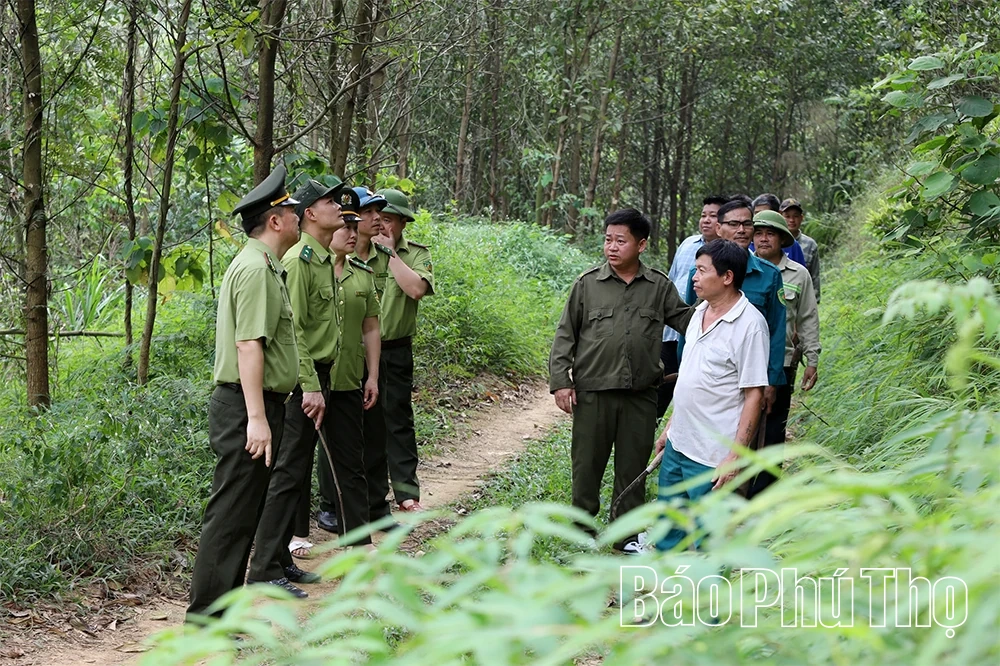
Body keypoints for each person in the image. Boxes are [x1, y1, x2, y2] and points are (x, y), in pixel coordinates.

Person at [187, 165, 301, 619]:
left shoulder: (265, 266)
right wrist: (256, 418)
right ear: (274, 220)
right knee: (232, 514)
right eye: (292, 211)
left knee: (243, 513)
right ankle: (206, 617)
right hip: (245, 406)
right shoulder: (255, 269)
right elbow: (248, 345)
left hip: (259, 404)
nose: (298, 216)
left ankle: (222, 613)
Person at [549, 208, 694, 554]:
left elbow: (689, 321)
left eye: (621, 240)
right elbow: (565, 333)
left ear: (641, 244)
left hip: (641, 395)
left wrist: (723, 314)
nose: (611, 247)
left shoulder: (658, 286)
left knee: (632, 469)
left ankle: (625, 535)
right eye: (608, 239)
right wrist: (561, 381)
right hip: (593, 393)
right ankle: (582, 529)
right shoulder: (587, 284)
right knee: (587, 465)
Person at [244, 176, 356, 599]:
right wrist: (309, 385)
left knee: (295, 473)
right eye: (330, 201)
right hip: (301, 384)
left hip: (319, 377)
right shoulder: (296, 261)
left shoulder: (323, 258)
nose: (340, 208)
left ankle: (279, 559)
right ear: (309, 213)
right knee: (286, 474)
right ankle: (263, 568)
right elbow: (294, 333)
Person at [653, 239, 769, 551]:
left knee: (709, 538)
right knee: (669, 527)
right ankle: (666, 592)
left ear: (727, 277)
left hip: (712, 455)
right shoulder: (698, 313)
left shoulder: (750, 326)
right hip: (680, 443)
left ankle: (710, 596)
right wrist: (670, 428)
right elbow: (692, 380)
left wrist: (735, 456)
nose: (694, 277)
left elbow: (754, 395)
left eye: (702, 271)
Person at [313, 207, 382, 544]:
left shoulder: (362, 274)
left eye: (356, 227)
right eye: (346, 227)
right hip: (310, 380)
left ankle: (357, 540)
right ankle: (295, 537)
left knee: (352, 462)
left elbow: (371, 327)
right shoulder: (310, 268)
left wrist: (373, 376)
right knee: (295, 465)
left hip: (347, 380)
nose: (353, 234)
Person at [684, 199, 786, 413]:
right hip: (708, 378)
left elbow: (776, 331)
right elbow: (688, 324)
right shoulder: (698, 274)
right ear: (718, 229)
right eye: (733, 224)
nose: (741, 230)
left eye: (747, 224)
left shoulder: (769, 275)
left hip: (752, 376)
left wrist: (770, 380)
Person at [748, 211, 820, 497]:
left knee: (774, 430)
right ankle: (738, 491)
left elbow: (808, 318)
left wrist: (812, 358)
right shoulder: (743, 269)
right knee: (745, 429)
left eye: (770, 233)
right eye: (759, 233)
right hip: (745, 364)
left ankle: (764, 494)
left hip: (783, 363)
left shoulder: (798, 274)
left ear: (781, 239)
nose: (763, 238)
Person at [372, 189, 434, 513]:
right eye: (377, 218)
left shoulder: (416, 255)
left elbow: (415, 289)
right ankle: (372, 494)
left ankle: (406, 492)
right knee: (367, 423)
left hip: (396, 350)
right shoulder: (358, 252)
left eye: (388, 219)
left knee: (398, 419)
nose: (381, 225)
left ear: (402, 223)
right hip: (360, 353)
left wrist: (391, 255)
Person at [349, 186, 398, 529]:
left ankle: (378, 506)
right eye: (368, 212)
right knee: (344, 437)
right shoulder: (337, 257)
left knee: (378, 432)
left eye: (378, 212)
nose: (376, 218)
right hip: (341, 360)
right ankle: (333, 507)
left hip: (376, 356)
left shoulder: (384, 257)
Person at [657, 195, 727, 419]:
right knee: (659, 391)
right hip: (670, 334)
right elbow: (671, 281)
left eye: (713, 216)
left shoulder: (729, 255)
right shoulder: (688, 244)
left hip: (702, 337)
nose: (706, 220)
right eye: (703, 215)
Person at [779, 198, 820, 301]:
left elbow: (814, 276)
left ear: (802, 218)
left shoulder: (810, 245)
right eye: (787, 216)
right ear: (780, 216)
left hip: (802, 298)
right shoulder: (772, 242)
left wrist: (814, 300)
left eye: (795, 216)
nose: (791, 220)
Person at [751, 193, 806, 265]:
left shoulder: (792, 245)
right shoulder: (748, 244)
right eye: (757, 213)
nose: (764, 239)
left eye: (770, 234)